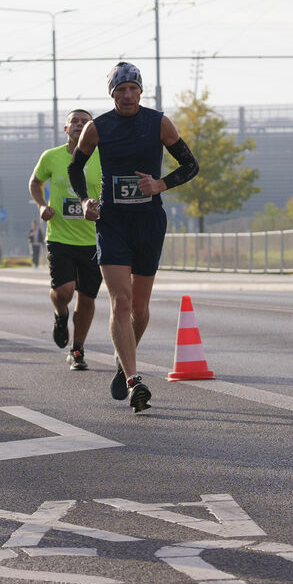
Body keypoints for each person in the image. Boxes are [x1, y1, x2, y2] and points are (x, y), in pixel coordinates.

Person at [68, 62, 200, 413]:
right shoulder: (98, 128)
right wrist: (84, 201)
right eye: (120, 90)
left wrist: (161, 184)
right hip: (112, 223)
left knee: (139, 309)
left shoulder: (158, 123)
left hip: (148, 223)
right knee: (120, 302)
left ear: (140, 92)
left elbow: (190, 164)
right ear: (112, 94)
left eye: (132, 89)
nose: (127, 95)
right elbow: (74, 169)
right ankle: (133, 379)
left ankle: (122, 360)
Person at [29, 108, 102, 371]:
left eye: (85, 121)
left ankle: (78, 349)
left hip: (93, 239)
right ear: (65, 129)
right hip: (59, 236)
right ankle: (61, 315)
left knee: (87, 298)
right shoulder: (51, 157)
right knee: (64, 291)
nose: (79, 125)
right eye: (74, 121)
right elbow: (35, 183)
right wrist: (40, 206)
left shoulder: (102, 157)